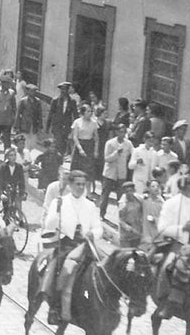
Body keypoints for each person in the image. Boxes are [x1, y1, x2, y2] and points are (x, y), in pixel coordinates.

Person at [41, 171, 103, 324]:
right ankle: (55, 306)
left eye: (83, 184)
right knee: (61, 268)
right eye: (77, 184)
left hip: (85, 244)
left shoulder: (90, 205)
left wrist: (93, 233)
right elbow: (49, 224)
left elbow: (98, 227)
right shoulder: (59, 202)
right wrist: (55, 213)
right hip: (66, 243)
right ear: (70, 185)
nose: (80, 187)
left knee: (104, 267)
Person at [153, 175, 190, 319]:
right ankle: (169, 302)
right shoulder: (171, 203)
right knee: (169, 267)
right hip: (179, 243)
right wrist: (183, 228)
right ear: (186, 186)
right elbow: (162, 228)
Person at [100, 123, 134, 219]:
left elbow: (133, 153)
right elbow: (106, 158)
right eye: (120, 132)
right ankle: (102, 214)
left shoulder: (128, 143)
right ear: (116, 132)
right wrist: (116, 153)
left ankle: (121, 216)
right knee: (105, 194)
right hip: (110, 173)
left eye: (124, 132)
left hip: (121, 173)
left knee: (121, 196)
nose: (122, 134)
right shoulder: (110, 143)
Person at [46, 82, 79, 156]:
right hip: (57, 126)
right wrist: (47, 127)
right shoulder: (55, 100)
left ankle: (60, 159)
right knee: (57, 143)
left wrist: (77, 128)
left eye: (65, 90)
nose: (64, 92)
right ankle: (56, 159)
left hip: (67, 127)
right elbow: (50, 114)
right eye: (62, 90)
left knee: (64, 144)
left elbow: (75, 115)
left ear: (68, 91)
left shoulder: (72, 101)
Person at [0, 148, 26, 213]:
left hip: (10, 190)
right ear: (7, 157)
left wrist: (22, 193)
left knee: (8, 211)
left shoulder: (19, 167)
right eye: (11, 155)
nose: (13, 157)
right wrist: (1, 194)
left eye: (14, 155)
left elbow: (22, 181)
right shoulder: (3, 167)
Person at [140, 176, 166, 249]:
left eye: (157, 186)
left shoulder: (162, 203)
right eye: (153, 186)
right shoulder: (144, 200)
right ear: (148, 188)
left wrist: (155, 219)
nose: (156, 188)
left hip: (158, 237)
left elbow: (166, 218)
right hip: (147, 236)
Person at [117, 182, 144, 248]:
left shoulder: (138, 200)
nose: (129, 193)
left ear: (134, 190)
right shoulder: (123, 204)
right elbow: (121, 220)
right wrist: (129, 228)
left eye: (131, 191)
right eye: (127, 191)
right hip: (126, 236)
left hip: (137, 234)